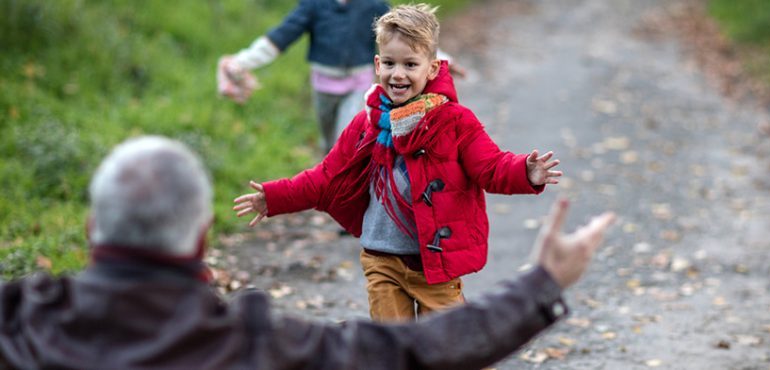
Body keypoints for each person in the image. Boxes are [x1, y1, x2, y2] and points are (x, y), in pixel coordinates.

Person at [0, 135, 616, 369]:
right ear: (203, 235)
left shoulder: (20, 318)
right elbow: (416, 352)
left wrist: (522, 172)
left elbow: (484, 162)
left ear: (90, 229)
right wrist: (542, 283)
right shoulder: (251, 341)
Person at [233, 4, 563, 322]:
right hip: (382, 259)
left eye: (410, 64)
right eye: (390, 63)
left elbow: (490, 166)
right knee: (390, 350)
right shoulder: (366, 123)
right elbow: (325, 178)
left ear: (432, 68)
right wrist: (273, 198)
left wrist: (525, 171)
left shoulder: (454, 121)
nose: (398, 74)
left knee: (449, 349)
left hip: (435, 265)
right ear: (377, 64)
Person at [218, 0, 466, 152]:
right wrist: (241, 61)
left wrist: (442, 59)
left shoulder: (373, 5)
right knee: (330, 144)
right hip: (323, 86)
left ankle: (349, 204)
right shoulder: (314, 5)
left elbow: (409, 37)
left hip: (357, 85)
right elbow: (281, 37)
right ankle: (331, 176)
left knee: (347, 138)